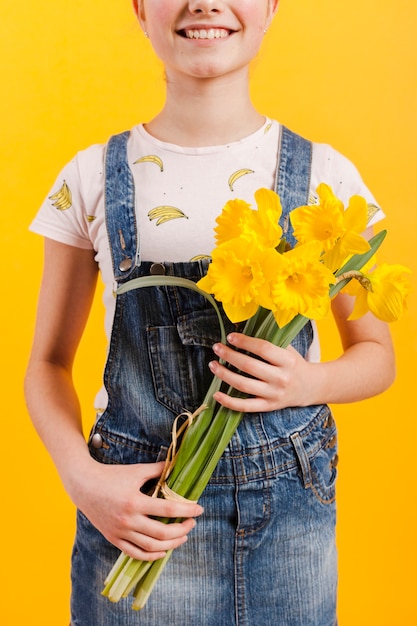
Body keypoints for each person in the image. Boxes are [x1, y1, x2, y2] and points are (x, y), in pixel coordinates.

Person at [25, 1, 395, 624]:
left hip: (291, 518)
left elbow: (377, 357)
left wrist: (310, 382)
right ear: (140, 10)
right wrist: (81, 479)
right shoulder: (90, 176)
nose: (205, 2)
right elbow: (47, 362)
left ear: (272, 7)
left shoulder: (327, 181)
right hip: (141, 512)